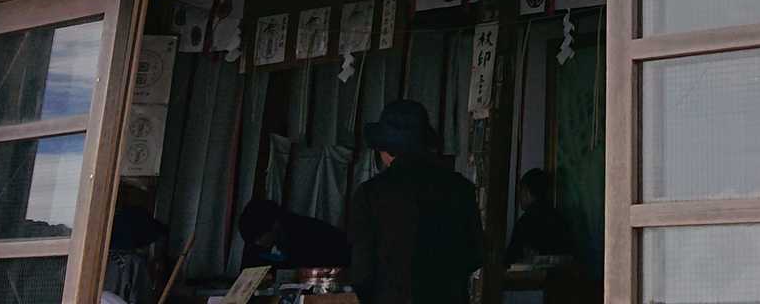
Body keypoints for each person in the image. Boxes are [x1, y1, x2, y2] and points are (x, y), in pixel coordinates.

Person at [347, 100, 485, 304]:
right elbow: (475, 256)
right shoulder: (460, 188)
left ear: (386, 150)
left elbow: (361, 272)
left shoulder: (370, 194)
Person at [237, 197, 352, 270]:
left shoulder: (303, 233)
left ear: (274, 225)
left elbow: (298, 265)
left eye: (258, 238)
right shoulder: (283, 232)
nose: (257, 243)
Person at [504, 168, 571, 265]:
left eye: (520, 191)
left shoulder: (524, 223)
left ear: (526, 192)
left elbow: (510, 259)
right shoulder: (559, 219)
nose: (519, 197)